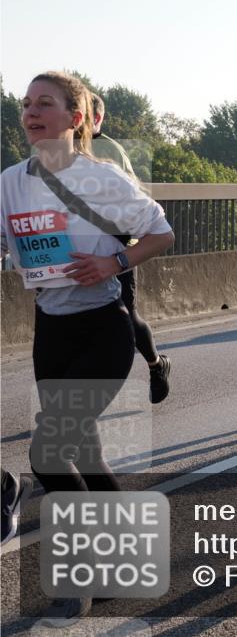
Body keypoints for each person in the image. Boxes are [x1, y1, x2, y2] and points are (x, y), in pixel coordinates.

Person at [1, 72, 174, 623]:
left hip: (104, 330)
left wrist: (112, 262)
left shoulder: (101, 180)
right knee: (88, 456)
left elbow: (162, 232)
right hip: (50, 331)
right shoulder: (9, 181)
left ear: (76, 118)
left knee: (49, 453)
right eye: (26, 104)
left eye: (45, 103)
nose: (31, 112)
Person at [89, 94, 172, 403]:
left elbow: (130, 202)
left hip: (115, 246)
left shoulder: (110, 150)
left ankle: (155, 365)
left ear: (96, 119)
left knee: (126, 313)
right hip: (76, 250)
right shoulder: (57, 150)